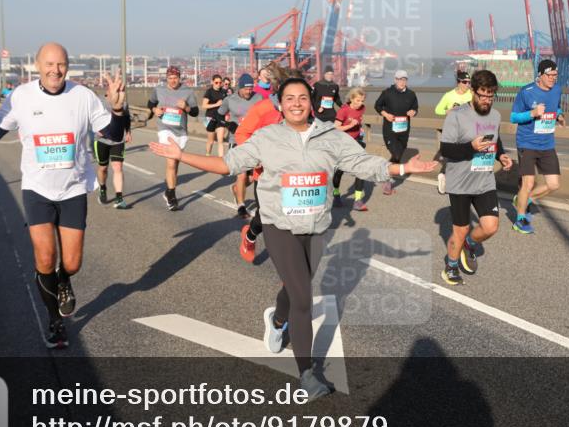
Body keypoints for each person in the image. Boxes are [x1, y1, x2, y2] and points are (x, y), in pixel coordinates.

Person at [150, 77, 437, 398]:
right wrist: (181, 156)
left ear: (312, 102)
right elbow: (228, 164)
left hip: (316, 226)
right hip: (278, 225)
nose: (297, 103)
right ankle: (307, 374)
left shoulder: (330, 136)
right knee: (303, 296)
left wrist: (401, 169)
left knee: (293, 289)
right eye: (290, 98)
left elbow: (363, 164)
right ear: (281, 103)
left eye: (303, 97)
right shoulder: (267, 137)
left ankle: (276, 319)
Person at [0, 42, 127, 348]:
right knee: (45, 258)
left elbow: (113, 136)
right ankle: (55, 322)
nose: (54, 70)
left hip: (73, 189)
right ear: (38, 67)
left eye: (60, 64)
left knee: (71, 263)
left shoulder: (83, 96)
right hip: (37, 190)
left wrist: (116, 108)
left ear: (68, 67)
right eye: (49, 64)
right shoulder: (21, 97)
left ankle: (64, 281)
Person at [437, 70, 513, 285]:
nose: (487, 100)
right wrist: (470, 147)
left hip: (485, 181)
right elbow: (447, 150)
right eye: (483, 95)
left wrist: (502, 155)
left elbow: (495, 141)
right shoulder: (457, 116)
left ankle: (469, 244)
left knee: (490, 227)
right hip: (460, 183)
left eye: (491, 96)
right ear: (473, 92)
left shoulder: (496, 115)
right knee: (460, 229)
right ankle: (450, 266)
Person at [234, 65, 285, 263]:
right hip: (265, 174)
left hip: (292, 175)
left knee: (291, 220)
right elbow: (241, 133)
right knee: (266, 217)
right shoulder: (263, 108)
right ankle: (249, 236)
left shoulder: (303, 110)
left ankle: (289, 268)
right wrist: (259, 155)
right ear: (278, 87)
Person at [510, 59, 565, 234]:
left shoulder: (556, 90)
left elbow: (555, 107)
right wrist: (532, 113)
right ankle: (520, 219)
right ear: (540, 75)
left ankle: (524, 200)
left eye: (555, 75)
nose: (553, 79)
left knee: (554, 184)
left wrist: (559, 115)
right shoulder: (526, 92)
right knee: (529, 182)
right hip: (527, 142)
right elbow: (514, 117)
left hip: (547, 143)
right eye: (550, 75)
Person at [147, 66, 199, 212]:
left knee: (175, 162)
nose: (172, 81)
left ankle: (169, 190)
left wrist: (186, 107)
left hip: (181, 131)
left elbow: (195, 112)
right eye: (170, 78)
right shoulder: (159, 89)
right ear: (166, 78)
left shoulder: (187, 92)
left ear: (179, 78)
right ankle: (172, 197)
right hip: (165, 129)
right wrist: (154, 110)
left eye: (175, 78)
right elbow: (150, 103)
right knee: (170, 162)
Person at [218, 73, 261, 218]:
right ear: (240, 88)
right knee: (242, 174)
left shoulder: (258, 98)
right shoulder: (230, 100)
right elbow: (217, 115)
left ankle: (236, 188)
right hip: (236, 141)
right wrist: (229, 124)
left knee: (254, 176)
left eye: (251, 88)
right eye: (246, 89)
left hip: (254, 141)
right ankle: (241, 206)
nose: (249, 91)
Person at [373, 69, 418, 195]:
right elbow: (377, 106)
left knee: (398, 156)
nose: (401, 82)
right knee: (396, 155)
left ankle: (386, 173)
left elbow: (415, 107)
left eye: (403, 79)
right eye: (399, 79)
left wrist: (413, 112)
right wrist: (385, 114)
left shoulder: (411, 94)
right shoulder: (387, 93)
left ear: (406, 81)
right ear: (395, 80)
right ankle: (388, 181)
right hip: (390, 130)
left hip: (404, 131)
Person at [94, 77, 133, 210]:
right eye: (117, 89)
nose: (119, 91)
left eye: (121, 89)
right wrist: (95, 128)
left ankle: (119, 198)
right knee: (103, 168)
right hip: (101, 140)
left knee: (117, 167)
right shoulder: (98, 102)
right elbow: (88, 117)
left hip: (118, 140)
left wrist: (128, 132)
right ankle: (103, 187)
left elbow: (126, 118)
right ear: (109, 89)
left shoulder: (124, 103)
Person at [433, 71, 473, 194]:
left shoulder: (471, 95)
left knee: (467, 157)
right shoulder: (449, 95)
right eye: (465, 82)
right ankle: (444, 174)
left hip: (467, 131)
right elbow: (437, 110)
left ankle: (456, 181)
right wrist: (447, 111)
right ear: (458, 82)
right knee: (454, 156)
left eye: (469, 82)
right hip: (453, 131)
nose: (467, 84)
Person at [333, 87, 369, 211]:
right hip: (342, 144)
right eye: (358, 100)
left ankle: (357, 200)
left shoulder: (362, 109)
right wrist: (350, 125)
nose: (360, 103)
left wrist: (360, 128)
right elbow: (336, 128)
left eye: (362, 101)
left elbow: (359, 119)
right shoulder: (343, 111)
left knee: (361, 169)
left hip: (356, 143)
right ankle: (336, 193)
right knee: (339, 171)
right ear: (352, 98)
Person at [201, 74, 228, 157]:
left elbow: (226, 104)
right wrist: (216, 104)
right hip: (209, 117)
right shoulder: (209, 92)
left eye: (220, 82)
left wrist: (227, 113)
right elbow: (204, 106)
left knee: (220, 141)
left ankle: (221, 160)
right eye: (216, 82)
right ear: (212, 82)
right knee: (211, 141)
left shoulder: (223, 92)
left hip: (220, 117)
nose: (218, 84)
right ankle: (207, 155)